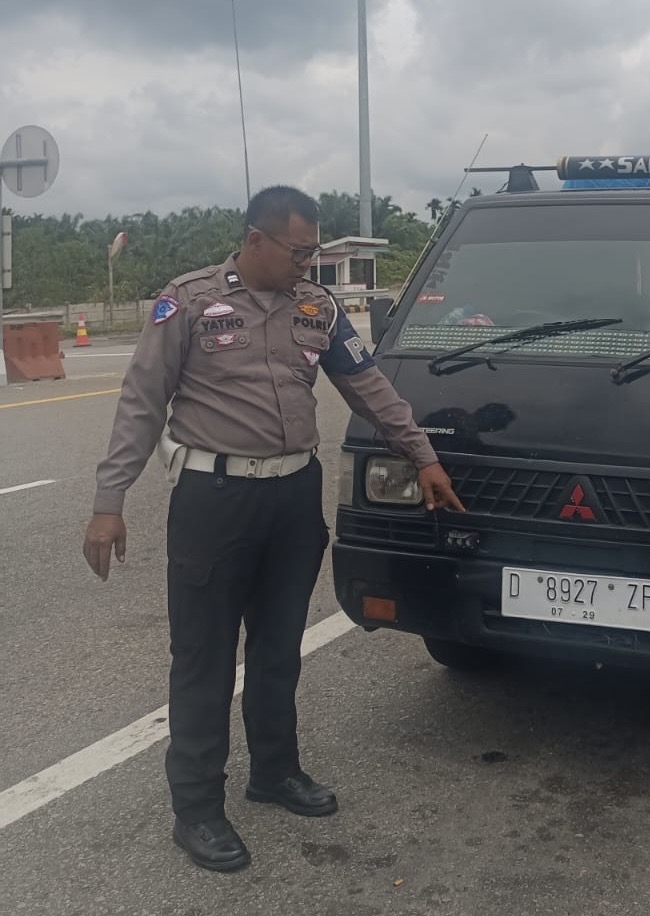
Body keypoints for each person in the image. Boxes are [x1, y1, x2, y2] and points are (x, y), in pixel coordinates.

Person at [82, 185, 464, 873]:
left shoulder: (316, 307)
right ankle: (196, 809)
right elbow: (142, 402)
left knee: (280, 646)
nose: (307, 263)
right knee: (202, 659)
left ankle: (275, 772)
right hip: (215, 497)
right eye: (298, 250)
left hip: (293, 495)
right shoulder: (191, 300)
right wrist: (110, 500)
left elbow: (368, 386)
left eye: (313, 250)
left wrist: (423, 455)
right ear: (255, 239)